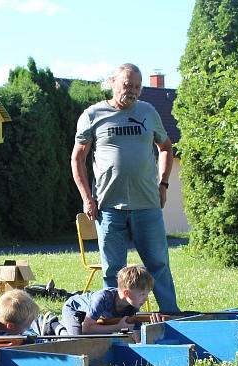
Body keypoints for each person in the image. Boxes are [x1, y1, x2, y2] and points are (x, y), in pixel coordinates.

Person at [70, 63, 180, 312]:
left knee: (159, 265)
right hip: (109, 208)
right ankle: (114, 320)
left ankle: (171, 315)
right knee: (112, 271)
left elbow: (165, 148)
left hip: (147, 205)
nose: (132, 91)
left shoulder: (148, 112)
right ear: (113, 83)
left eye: (137, 87)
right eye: (127, 85)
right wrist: (87, 198)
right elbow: (78, 158)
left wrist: (163, 183)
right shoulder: (92, 114)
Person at [61, 265, 154, 339]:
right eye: (142, 294)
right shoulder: (103, 298)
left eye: (147, 294)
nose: (146, 299)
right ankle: (54, 325)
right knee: (77, 341)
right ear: (126, 293)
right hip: (73, 309)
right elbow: (86, 329)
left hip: (90, 319)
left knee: (103, 338)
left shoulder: (133, 306)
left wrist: (154, 325)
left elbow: (137, 338)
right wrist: (118, 327)